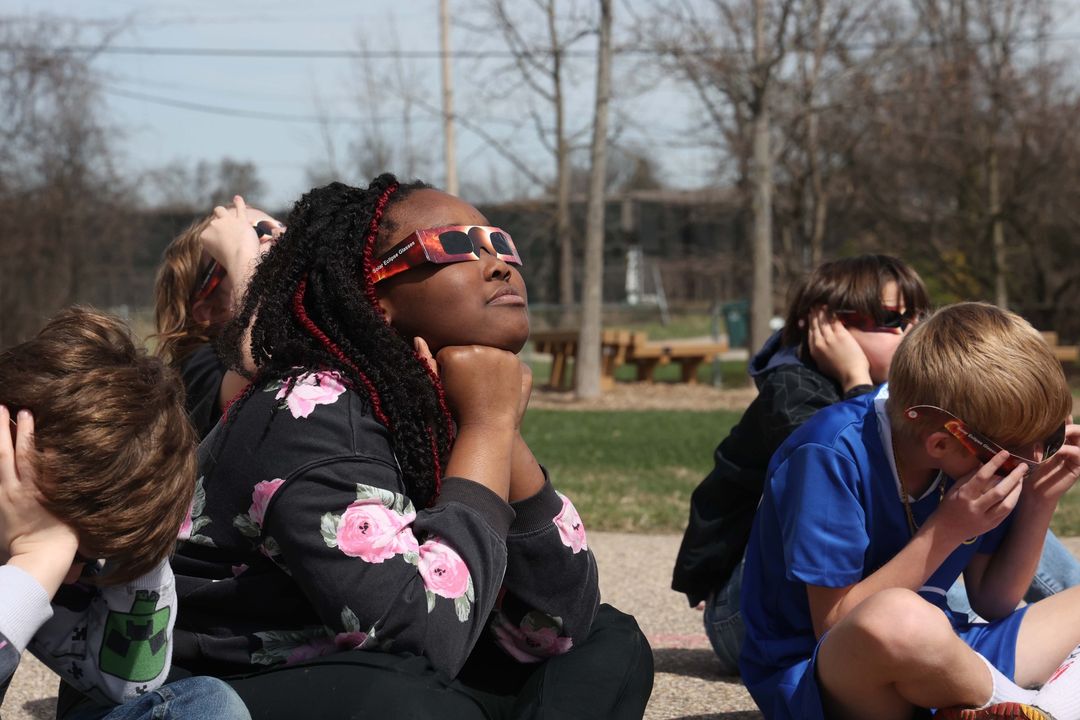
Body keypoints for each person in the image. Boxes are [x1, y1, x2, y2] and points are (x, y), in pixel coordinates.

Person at [167, 176, 653, 719]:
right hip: (227, 682)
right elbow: (421, 636)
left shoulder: (430, 399)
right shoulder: (309, 408)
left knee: (608, 643)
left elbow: (559, 618)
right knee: (414, 699)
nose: (497, 264)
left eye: (500, 243)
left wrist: (496, 426)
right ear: (373, 296)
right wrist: (489, 426)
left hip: (377, 669)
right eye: (455, 246)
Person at [672, 254, 1080, 674]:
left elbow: (992, 600)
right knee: (921, 606)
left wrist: (1036, 497)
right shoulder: (800, 402)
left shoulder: (945, 417)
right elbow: (862, 466)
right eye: (891, 318)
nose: (910, 330)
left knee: (981, 512)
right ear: (824, 324)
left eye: (917, 316)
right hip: (757, 604)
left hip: (877, 591)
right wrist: (856, 379)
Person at [740, 301, 1080, 719]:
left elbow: (993, 601)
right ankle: (1030, 706)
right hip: (830, 676)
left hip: (945, 657)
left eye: (1048, 438)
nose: (1034, 459)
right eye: (1017, 452)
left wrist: (1039, 500)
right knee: (898, 616)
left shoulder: (971, 457)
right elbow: (835, 624)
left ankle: (998, 706)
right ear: (941, 443)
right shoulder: (830, 453)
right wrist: (948, 528)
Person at [0, 307, 249, 720]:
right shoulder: (40, 554)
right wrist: (36, 557)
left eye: (79, 554)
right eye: (70, 551)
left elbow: (126, 683)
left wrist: (141, 548)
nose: (70, 573)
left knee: (207, 705)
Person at [153, 199, 284, 439]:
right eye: (259, 233)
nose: (278, 235)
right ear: (211, 311)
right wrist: (243, 256)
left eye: (282, 227)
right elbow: (259, 362)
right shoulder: (201, 367)